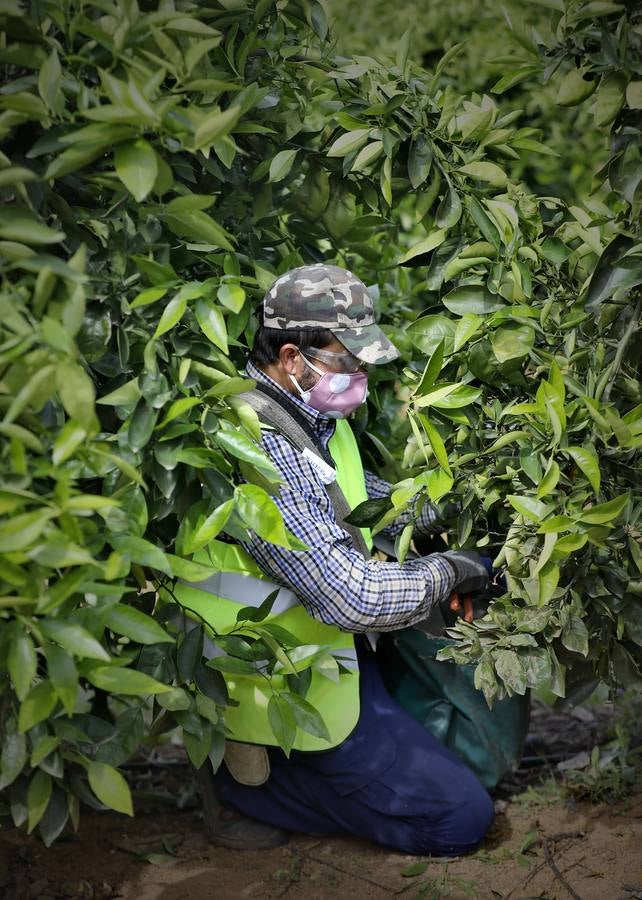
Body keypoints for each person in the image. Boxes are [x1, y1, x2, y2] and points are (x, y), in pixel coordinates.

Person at [178, 264, 495, 855]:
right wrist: (454, 569)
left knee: (455, 753)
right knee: (460, 819)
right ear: (293, 358)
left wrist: (478, 500)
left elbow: (380, 507)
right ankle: (244, 789)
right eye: (349, 363)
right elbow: (354, 596)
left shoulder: (312, 422)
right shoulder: (257, 448)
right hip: (285, 687)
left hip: (336, 661)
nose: (362, 379)